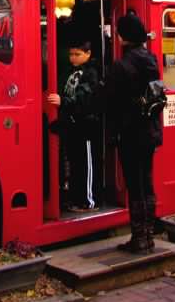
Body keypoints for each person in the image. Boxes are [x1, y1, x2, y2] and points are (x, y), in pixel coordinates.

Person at [106, 13, 162, 253]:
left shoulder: (121, 65)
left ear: (124, 37)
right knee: (147, 181)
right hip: (150, 130)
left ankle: (138, 238)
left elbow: (110, 99)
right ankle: (149, 235)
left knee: (134, 184)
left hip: (130, 132)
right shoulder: (152, 59)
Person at [47, 38, 102, 213]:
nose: (73, 58)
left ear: (88, 54)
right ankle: (77, 197)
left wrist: (64, 101)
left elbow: (85, 98)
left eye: (77, 54)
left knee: (86, 164)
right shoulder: (71, 72)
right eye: (71, 54)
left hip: (86, 125)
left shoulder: (92, 72)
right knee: (76, 163)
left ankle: (89, 200)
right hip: (73, 125)